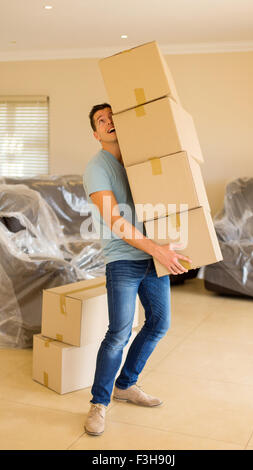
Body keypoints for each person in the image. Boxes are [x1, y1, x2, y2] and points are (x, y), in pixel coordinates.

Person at [82, 103, 191, 436]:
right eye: (102, 120)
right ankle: (99, 404)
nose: (109, 122)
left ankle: (126, 384)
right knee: (119, 332)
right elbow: (114, 221)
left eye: (113, 117)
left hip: (151, 257)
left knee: (159, 323)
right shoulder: (96, 168)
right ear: (96, 132)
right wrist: (156, 248)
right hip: (123, 260)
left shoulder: (137, 161)